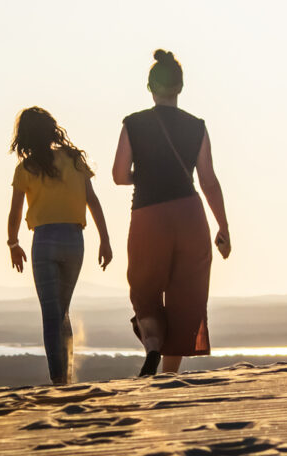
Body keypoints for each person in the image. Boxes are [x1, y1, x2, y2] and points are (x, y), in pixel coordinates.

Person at [112, 50, 231, 376]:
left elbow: (119, 175)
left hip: (149, 216)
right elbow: (207, 179)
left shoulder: (133, 124)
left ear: (150, 87)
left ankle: (152, 345)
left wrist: (145, 176)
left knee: (146, 291)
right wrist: (223, 226)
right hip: (190, 216)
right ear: (180, 87)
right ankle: (168, 376)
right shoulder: (197, 127)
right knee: (185, 296)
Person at [6, 107, 113, 385]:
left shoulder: (26, 168)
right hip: (74, 240)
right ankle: (66, 374)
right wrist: (104, 239)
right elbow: (93, 201)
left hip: (44, 240)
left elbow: (15, 212)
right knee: (62, 311)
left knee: (52, 315)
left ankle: (59, 381)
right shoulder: (75, 160)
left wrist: (13, 243)